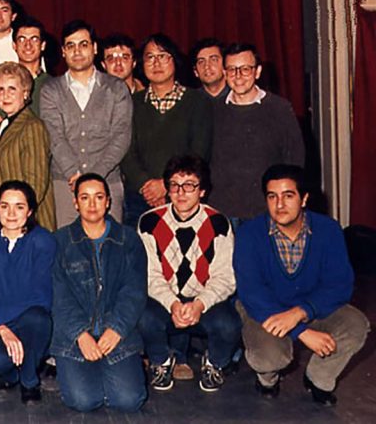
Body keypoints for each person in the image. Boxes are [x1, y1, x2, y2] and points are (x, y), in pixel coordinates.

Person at [234, 164, 370, 407]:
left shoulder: (328, 230)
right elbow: (251, 293)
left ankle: (319, 378)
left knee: (356, 324)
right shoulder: (249, 234)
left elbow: (340, 284)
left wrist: (301, 313)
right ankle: (267, 379)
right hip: (266, 310)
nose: (279, 205)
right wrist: (302, 332)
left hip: (309, 306)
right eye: (272, 196)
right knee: (268, 357)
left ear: (304, 198)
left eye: (288, 195)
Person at [136, 156, 240, 392]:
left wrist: (200, 304)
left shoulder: (218, 223)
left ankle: (214, 363)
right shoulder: (149, 222)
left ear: (202, 191)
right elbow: (150, 276)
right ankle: (161, 361)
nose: (181, 193)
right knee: (142, 317)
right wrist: (173, 304)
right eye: (174, 185)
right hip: (165, 300)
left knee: (229, 324)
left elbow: (226, 277)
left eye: (190, 185)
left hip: (204, 300)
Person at [51, 173, 147, 413]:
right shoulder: (60, 241)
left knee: (129, 400)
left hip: (117, 335)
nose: (92, 204)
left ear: (108, 201)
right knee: (84, 401)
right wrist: (80, 334)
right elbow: (58, 295)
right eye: (85, 197)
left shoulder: (129, 239)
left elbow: (134, 290)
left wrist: (116, 329)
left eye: (98, 197)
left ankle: (115, 370)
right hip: (74, 338)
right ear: (75, 202)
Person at [0, 181, 57, 404]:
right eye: (5, 206)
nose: (11, 213)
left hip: (31, 322)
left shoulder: (43, 241)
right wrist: (0, 326)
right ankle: (10, 374)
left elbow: (40, 296)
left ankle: (29, 380)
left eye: (19, 206)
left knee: (38, 318)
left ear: (30, 211)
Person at [40, 20, 133, 227]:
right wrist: (74, 172)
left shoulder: (116, 88)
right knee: (68, 248)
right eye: (70, 46)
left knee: (109, 245)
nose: (77, 51)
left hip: (107, 180)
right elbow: (53, 135)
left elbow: (121, 136)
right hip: (65, 182)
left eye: (83, 44)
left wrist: (95, 176)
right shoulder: (51, 90)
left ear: (94, 47)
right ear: (63, 51)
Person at [121, 33, 213, 227]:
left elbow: (199, 152)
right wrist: (146, 187)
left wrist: (166, 185)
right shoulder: (132, 103)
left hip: (183, 196)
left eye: (163, 56)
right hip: (139, 198)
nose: (156, 63)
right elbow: (126, 152)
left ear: (175, 60)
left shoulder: (197, 102)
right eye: (150, 57)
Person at [209, 43, 304, 223]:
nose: (238, 76)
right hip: (222, 213)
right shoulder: (212, 111)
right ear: (224, 73)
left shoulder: (280, 109)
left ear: (257, 72)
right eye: (232, 70)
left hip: (267, 212)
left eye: (245, 69)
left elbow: (295, 162)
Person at [0, 62, 56, 231]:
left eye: (12, 89)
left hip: (24, 226)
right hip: (2, 221)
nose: (5, 95)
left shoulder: (32, 126)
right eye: (0, 89)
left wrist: (15, 219)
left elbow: (36, 184)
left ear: (25, 93)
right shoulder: (3, 126)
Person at [12, 16, 50, 115]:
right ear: (14, 45)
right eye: (21, 39)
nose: (28, 45)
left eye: (34, 39)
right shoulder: (4, 85)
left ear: (43, 45)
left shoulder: (54, 86)